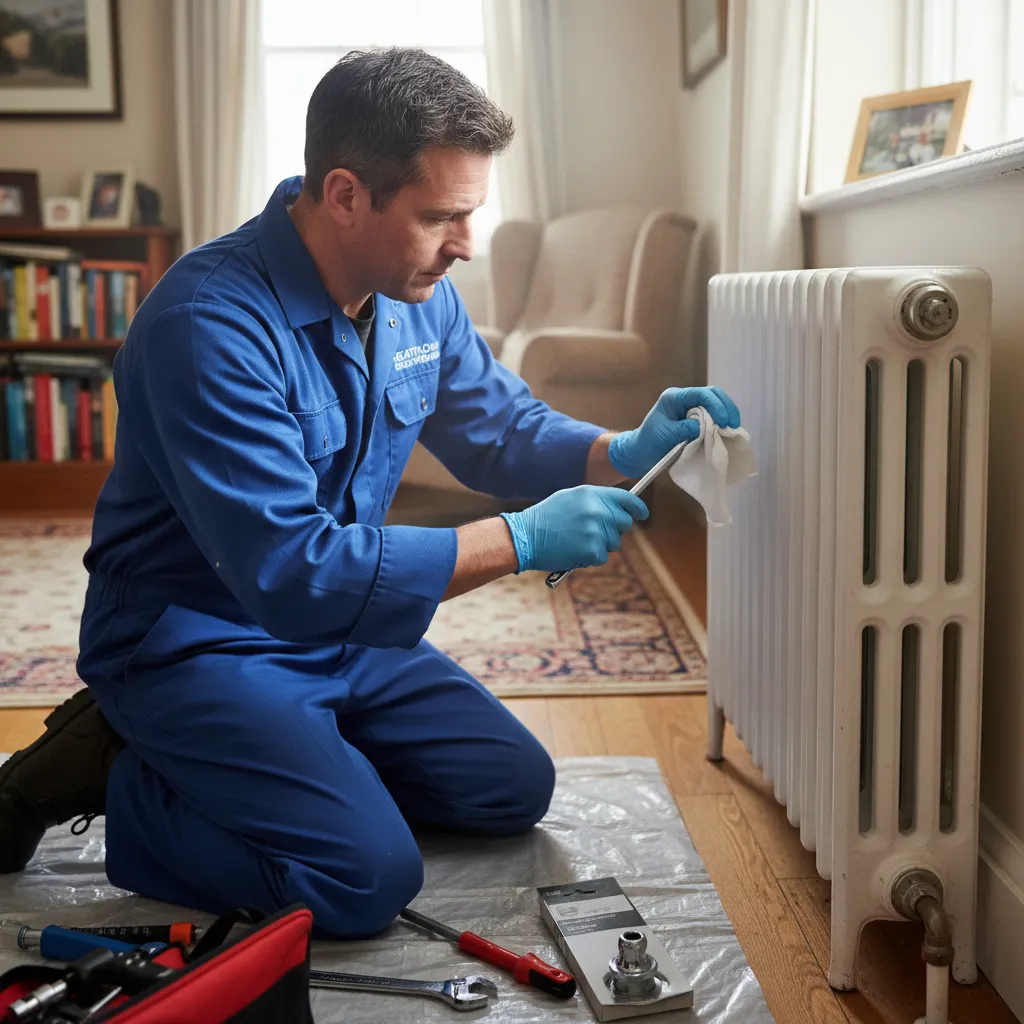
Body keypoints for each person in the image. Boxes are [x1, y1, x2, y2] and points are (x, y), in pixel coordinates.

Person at [0, 48, 739, 937]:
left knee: (511, 785)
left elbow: (500, 429)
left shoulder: (415, 291)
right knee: (363, 878)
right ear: (346, 194)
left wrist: (622, 447)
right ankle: (127, 775)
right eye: (440, 217)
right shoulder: (206, 324)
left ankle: (271, 763)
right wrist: (519, 542)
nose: (465, 244)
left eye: (469, 214)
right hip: (199, 639)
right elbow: (291, 571)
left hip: (342, 631)